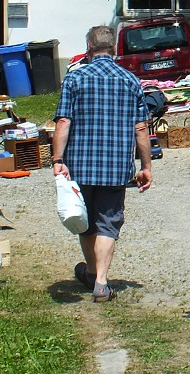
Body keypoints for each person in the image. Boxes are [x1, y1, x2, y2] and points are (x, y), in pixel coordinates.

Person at [52, 25, 153, 302]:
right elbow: (141, 128)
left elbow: (63, 122)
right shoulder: (131, 81)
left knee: (85, 222)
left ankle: (92, 271)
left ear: (88, 49)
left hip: (80, 165)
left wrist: (57, 159)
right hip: (116, 166)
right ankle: (100, 281)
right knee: (108, 222)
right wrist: (146, 166)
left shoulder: (75, 78)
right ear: (115, 49)